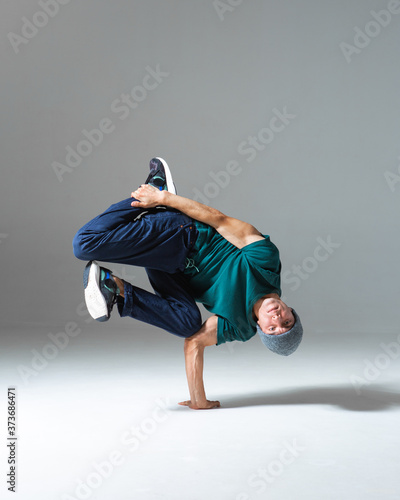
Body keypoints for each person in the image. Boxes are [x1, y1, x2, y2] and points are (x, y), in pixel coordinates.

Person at [73, 158, 303, 410]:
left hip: (172, 270)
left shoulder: (241, 326)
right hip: (184, 235)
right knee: (84, 244)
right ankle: (157, 188)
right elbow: (219, 220)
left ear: (260, 328)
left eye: (273, 329)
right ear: (292, 312)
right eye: (287, 322)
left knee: (188, 325)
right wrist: (162, 199)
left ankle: (114, 287)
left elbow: (194, 342)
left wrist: (198, 400)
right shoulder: (266, 263)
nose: (277, 318)